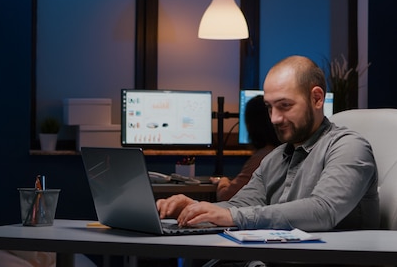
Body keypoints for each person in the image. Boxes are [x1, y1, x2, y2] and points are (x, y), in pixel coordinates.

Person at [156, 55, 379, 232]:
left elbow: (322, 211)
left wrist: (229, 216)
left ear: (317, 98)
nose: (274, 118)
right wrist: (195, 209)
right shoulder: (275, 158)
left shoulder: (349, 147)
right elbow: (240, 206)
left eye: (284, 105)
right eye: (270, 107)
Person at [214, 95, 281, 201]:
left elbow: (226, 196)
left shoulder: (262, 159)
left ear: (251, 126)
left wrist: (223, 181)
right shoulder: (284, 152)